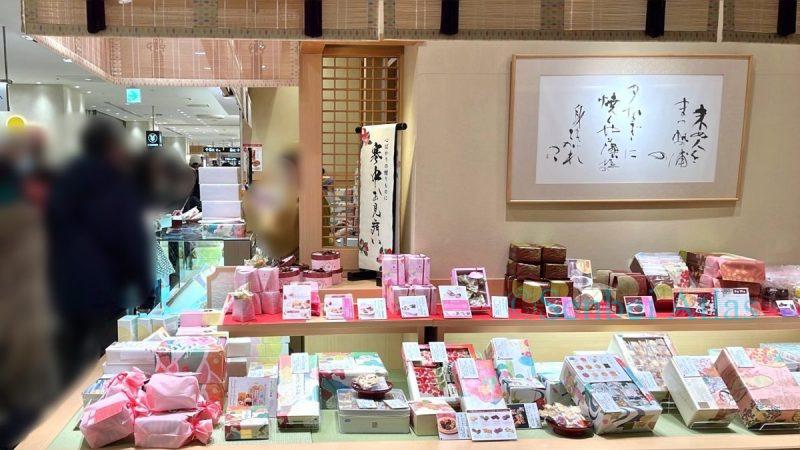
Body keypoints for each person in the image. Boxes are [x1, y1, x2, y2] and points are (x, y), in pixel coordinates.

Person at [45, 118, 153, 387]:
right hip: (105, 287)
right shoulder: (117, 185)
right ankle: (102, 412)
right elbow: (131, 240)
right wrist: (144, 287)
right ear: (111, 147)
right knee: (109, 359)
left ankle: (66, 408)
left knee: (72, 357)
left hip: (65, 286)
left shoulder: (63, 180)